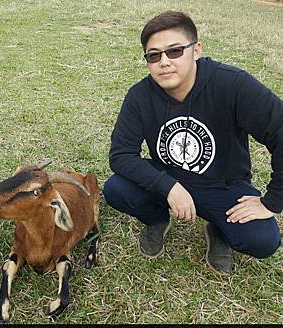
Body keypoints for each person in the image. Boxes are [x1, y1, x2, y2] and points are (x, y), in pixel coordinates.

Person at [103, 11, 282, 274]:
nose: (164, 62)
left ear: (196, 50)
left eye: (174, 51)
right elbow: (121, 155)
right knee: (116, 189)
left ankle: (219, 229)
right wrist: (168, 187)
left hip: (224, 184)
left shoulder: (232, 84)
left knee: (263, 240)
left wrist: (272, 201)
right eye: (154, 56)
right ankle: (156, 219)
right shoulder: (139, 96)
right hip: (170, 175)